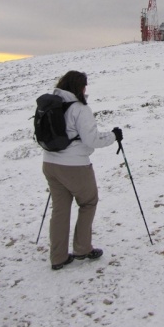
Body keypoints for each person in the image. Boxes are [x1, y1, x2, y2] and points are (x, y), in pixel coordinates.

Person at [42, 70, 123, 270]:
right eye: (84, 85)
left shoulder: (52, 104)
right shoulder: (79, 108)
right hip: (75, 166)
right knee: (88, 202)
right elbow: (91, 140)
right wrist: (114, 136)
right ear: (80, 87)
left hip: (50, 163)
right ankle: (82, 248)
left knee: (60, 210)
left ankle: (58, 256)